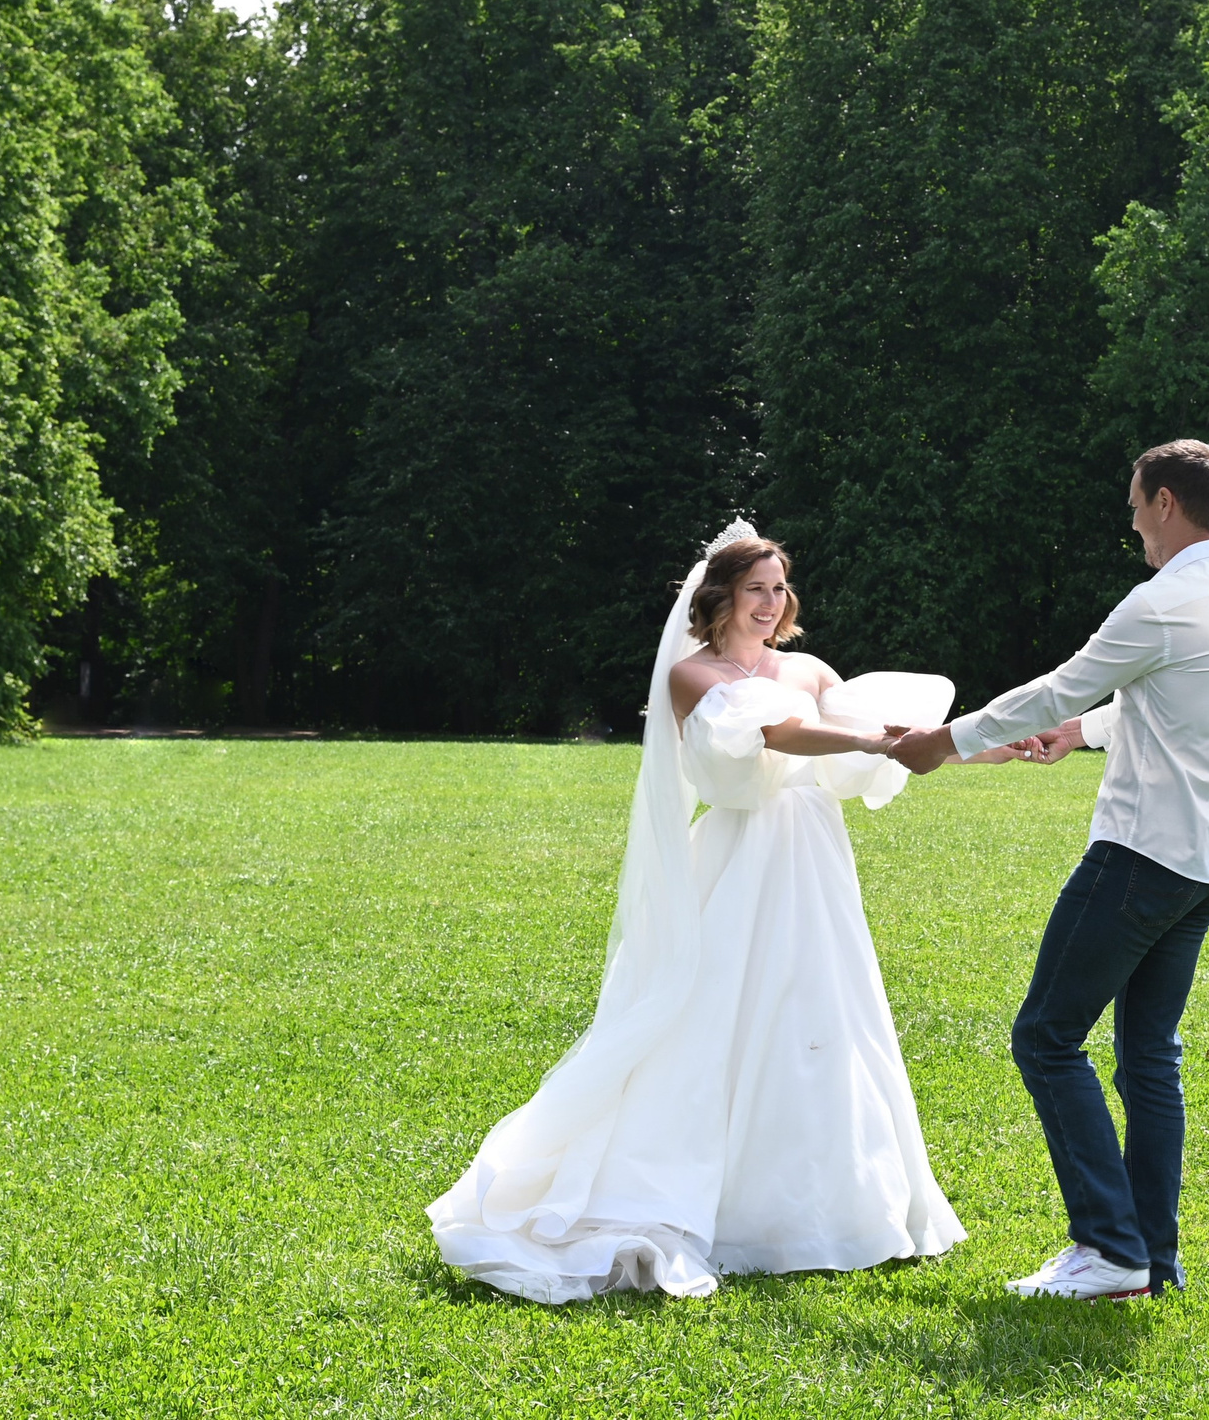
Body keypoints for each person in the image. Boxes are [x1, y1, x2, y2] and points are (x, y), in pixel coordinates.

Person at [428, 522, 1021, 1303]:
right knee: (722, 1014)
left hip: (814, 858)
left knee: (826, 1012)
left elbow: (880, 737)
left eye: (779, 588)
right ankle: (717, 1201)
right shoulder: (692, 677)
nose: (771, 604)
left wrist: (986, 743)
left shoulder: (808, 666)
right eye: (755, 589)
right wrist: (886, 742)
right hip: (742, 858)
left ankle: (839, 1205)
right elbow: (787, 733)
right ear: (719, 598)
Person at [890, 440, 1209, 1302]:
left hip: (1139, 862)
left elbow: (1057, 688)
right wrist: (1085, 735)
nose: (1131, 518)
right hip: (1206, 864)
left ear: (1166, 501)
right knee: (1148, 1060)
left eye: (1137, 502)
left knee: (1046, 1037)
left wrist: (939, 744)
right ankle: (1150, 1258)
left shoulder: (1162, 600)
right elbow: (1164, 699)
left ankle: (1109, 1248)